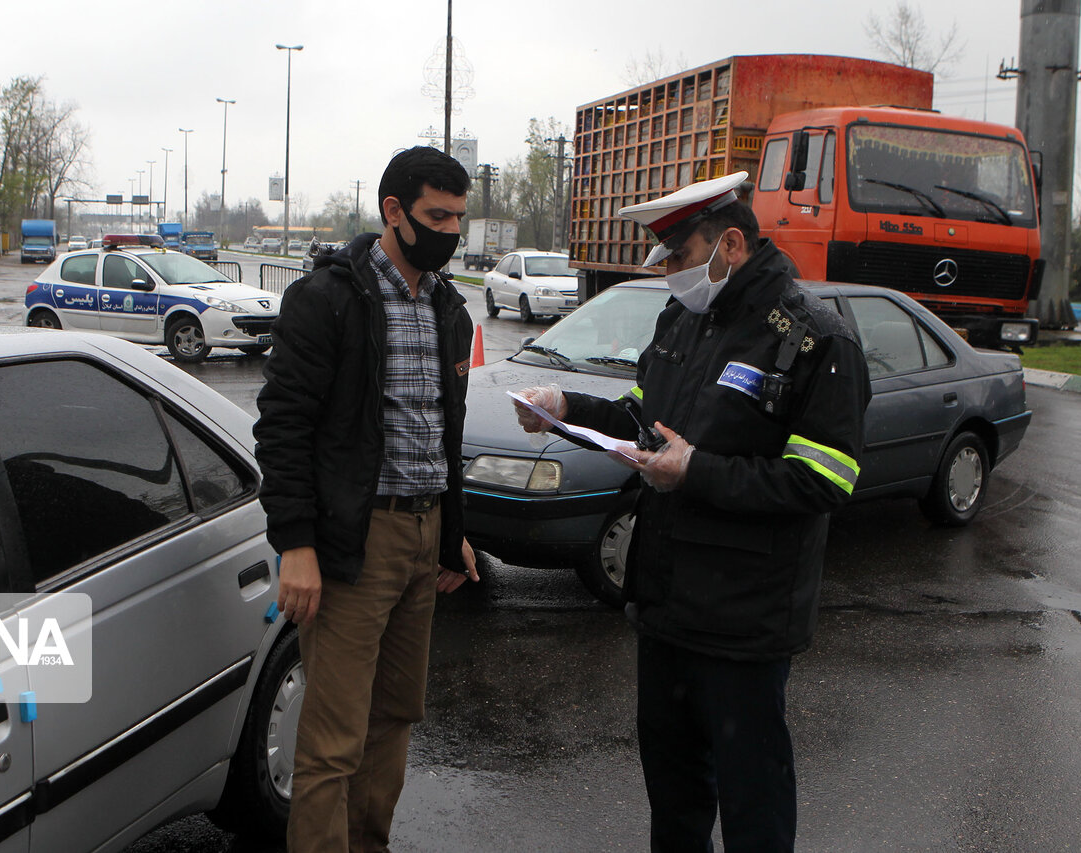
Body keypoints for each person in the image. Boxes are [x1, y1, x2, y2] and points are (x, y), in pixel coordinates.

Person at [514, 172, 870, 852]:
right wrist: (564, 410)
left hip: (745, 617)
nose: (671, 273)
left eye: (678, 257)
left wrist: (697, 471)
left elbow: (825, 479)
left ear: (729, 243)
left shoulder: (812, 338)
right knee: (674, 800)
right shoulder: (683, 319)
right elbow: (646, 422)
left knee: (752, 804)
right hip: (668, 605)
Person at [253, 146, 480, 852]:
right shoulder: (328, 298)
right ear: (394, 211)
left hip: (423, 535)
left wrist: (452, 533)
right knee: (333, 740)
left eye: (459, 218)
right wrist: (297, 543)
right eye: (437, 216)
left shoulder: (450, 311)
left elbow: (442, 431)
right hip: (356, 542)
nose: (450, 231)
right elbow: (283, 425)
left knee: (393, 722)